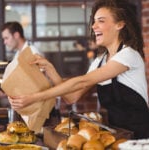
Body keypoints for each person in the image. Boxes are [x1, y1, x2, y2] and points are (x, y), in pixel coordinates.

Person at [8, 0, 149, 139]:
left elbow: (81, 82)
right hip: (118, 136)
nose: (94, 26)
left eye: (101, 21)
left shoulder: (128, 55)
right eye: (94, 21)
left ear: (120, 24)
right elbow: (71, 97)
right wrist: (51, 70)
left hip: (142, 136)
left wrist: (33, 98)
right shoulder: (100, 61)